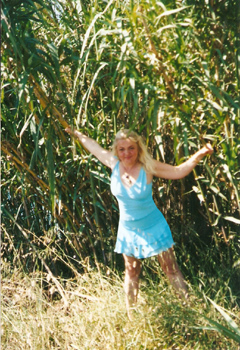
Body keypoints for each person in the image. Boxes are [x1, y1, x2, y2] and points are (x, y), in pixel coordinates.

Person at [65, 127, 213, 318]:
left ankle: (189, 310)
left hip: (154, 226)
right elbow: (94, 146)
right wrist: (76, 133)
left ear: (138, 148)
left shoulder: (148, 167)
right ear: (116, 151)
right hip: (128, 230)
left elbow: (178, 171)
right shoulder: (114, 163)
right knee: (132, 271)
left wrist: (201, 153)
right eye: (122, 149)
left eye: (131, 148)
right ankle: (131, 317)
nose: (127, 153)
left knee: (170, 269)